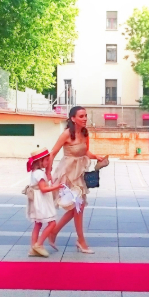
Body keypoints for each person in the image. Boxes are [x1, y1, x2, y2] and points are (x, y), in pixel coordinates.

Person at [42, 106, 108, 254]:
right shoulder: (66, 134)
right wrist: (48, 171)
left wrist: (96, 156)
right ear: (73, 118)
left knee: (78, 207)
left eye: (85, 116)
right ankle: (80, 240)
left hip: (80, 173)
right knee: (77, 207)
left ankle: (55, 232)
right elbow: (53, 153)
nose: (84, 118)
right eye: (81, 116)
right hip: (67, 173)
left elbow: (86, 151)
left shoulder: (85, 133)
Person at [25, 149, 60, 257]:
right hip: (42, 201)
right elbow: (43, 189)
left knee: (38, 224)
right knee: (52, 223)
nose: (48, 162)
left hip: (37, 200)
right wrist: (57, 186)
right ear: (40, 162)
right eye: (46, 160)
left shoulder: (35, 172)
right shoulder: (40, 173)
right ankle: (39, 244)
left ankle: (33, 247)